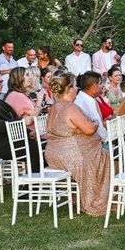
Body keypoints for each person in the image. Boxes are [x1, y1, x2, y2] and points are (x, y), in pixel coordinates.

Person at [44, 70, 111, 216]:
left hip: (53, 155)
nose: (77, 89)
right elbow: (89, 130)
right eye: (75, 86)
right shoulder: (70, 107)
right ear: (69, 89)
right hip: (70, 156)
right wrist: (93, 122)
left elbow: (49, 129)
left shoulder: (54, 107)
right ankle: (94, 198)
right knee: (104, 158)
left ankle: (78, 195)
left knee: (98, 154)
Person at [4, 67, 45, 132]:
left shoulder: (19, 94)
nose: (30, 78)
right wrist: (39, 100)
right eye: (27, 75)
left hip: (35, 131)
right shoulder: (16, 95)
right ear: (19, 78)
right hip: (31, 133)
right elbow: (34, 116)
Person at [74, 71, 108, 143]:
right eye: (100, 84)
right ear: (94, 86)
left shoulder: (87, 99)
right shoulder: (81, 102)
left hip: (95, 140)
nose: (102, 86)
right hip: (89, 143)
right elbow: (99, 130)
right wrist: (109, 139)